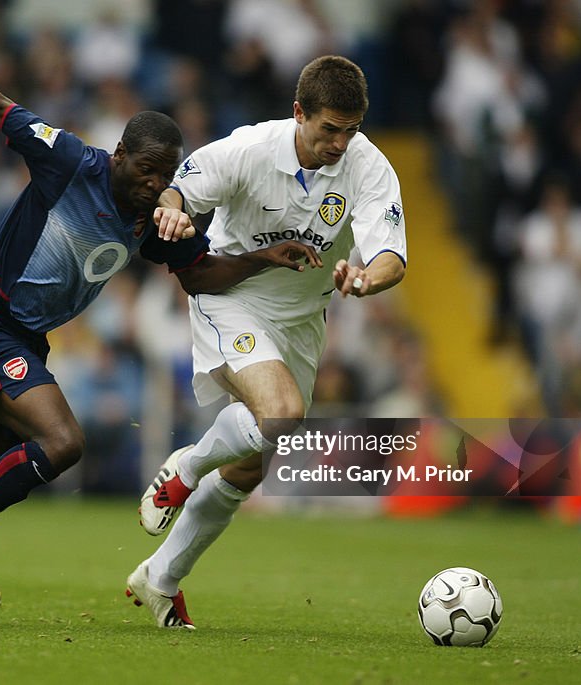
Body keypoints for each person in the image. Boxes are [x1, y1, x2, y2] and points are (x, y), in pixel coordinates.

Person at [0, 56, 322, 621]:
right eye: (145, 171)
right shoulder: (68, 161)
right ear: (119, 156)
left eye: (165, 177)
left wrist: (262, 258)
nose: (155, 185)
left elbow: (200, 274)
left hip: (23, 341)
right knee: (65, 442)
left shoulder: (149, 220)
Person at [129, 55, 407, 629]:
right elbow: (179, 191)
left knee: (252, 467)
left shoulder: (368, 166)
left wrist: (363, 278)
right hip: (231, 297)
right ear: (299, 112)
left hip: (303, 319)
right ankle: (188, 466)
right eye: (329, 128)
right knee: (282, 414)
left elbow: (390, 255)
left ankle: (160, 579)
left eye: (350, 130)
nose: (339, 142)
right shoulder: (250, 150)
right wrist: (175, 217)